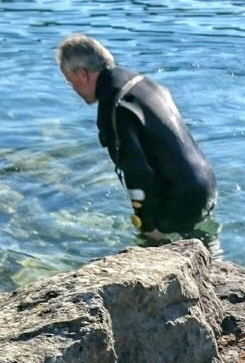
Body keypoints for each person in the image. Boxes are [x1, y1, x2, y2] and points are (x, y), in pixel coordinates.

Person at [56, 34, 217, 242]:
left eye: (70, 82)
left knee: (155, 256)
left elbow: (136, 170)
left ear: (82, 74)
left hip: (179, 200)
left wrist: (147, 225)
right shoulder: (140, 82)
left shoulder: (115, 106)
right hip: (207, 185)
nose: (73, 90)